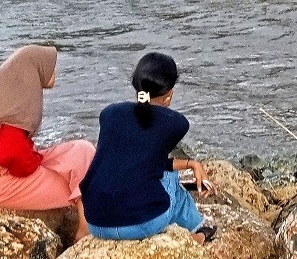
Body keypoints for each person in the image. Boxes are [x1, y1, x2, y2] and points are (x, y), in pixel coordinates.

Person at [0, 44, 95, 240]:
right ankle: (85, 227)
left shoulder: (9, 99)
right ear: (31, 71)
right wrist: (38, 164)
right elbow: (14, 157)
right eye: (49, 66)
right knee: (75, 183)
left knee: (82, 150)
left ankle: (86, 214)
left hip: (3, 168)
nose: (54, 72)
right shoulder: (6, 113)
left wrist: (36, 158)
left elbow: (16, 153)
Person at [79, 52, 216, 242]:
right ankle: (198, 233)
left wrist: (191, 164)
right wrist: (191, 166)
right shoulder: (175, 123)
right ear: (169, 94)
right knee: (171, 179)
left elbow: (144, 161)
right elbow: (156, 165)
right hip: (140, 225)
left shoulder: (109, 114)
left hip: (96, 223)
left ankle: (192, 230)